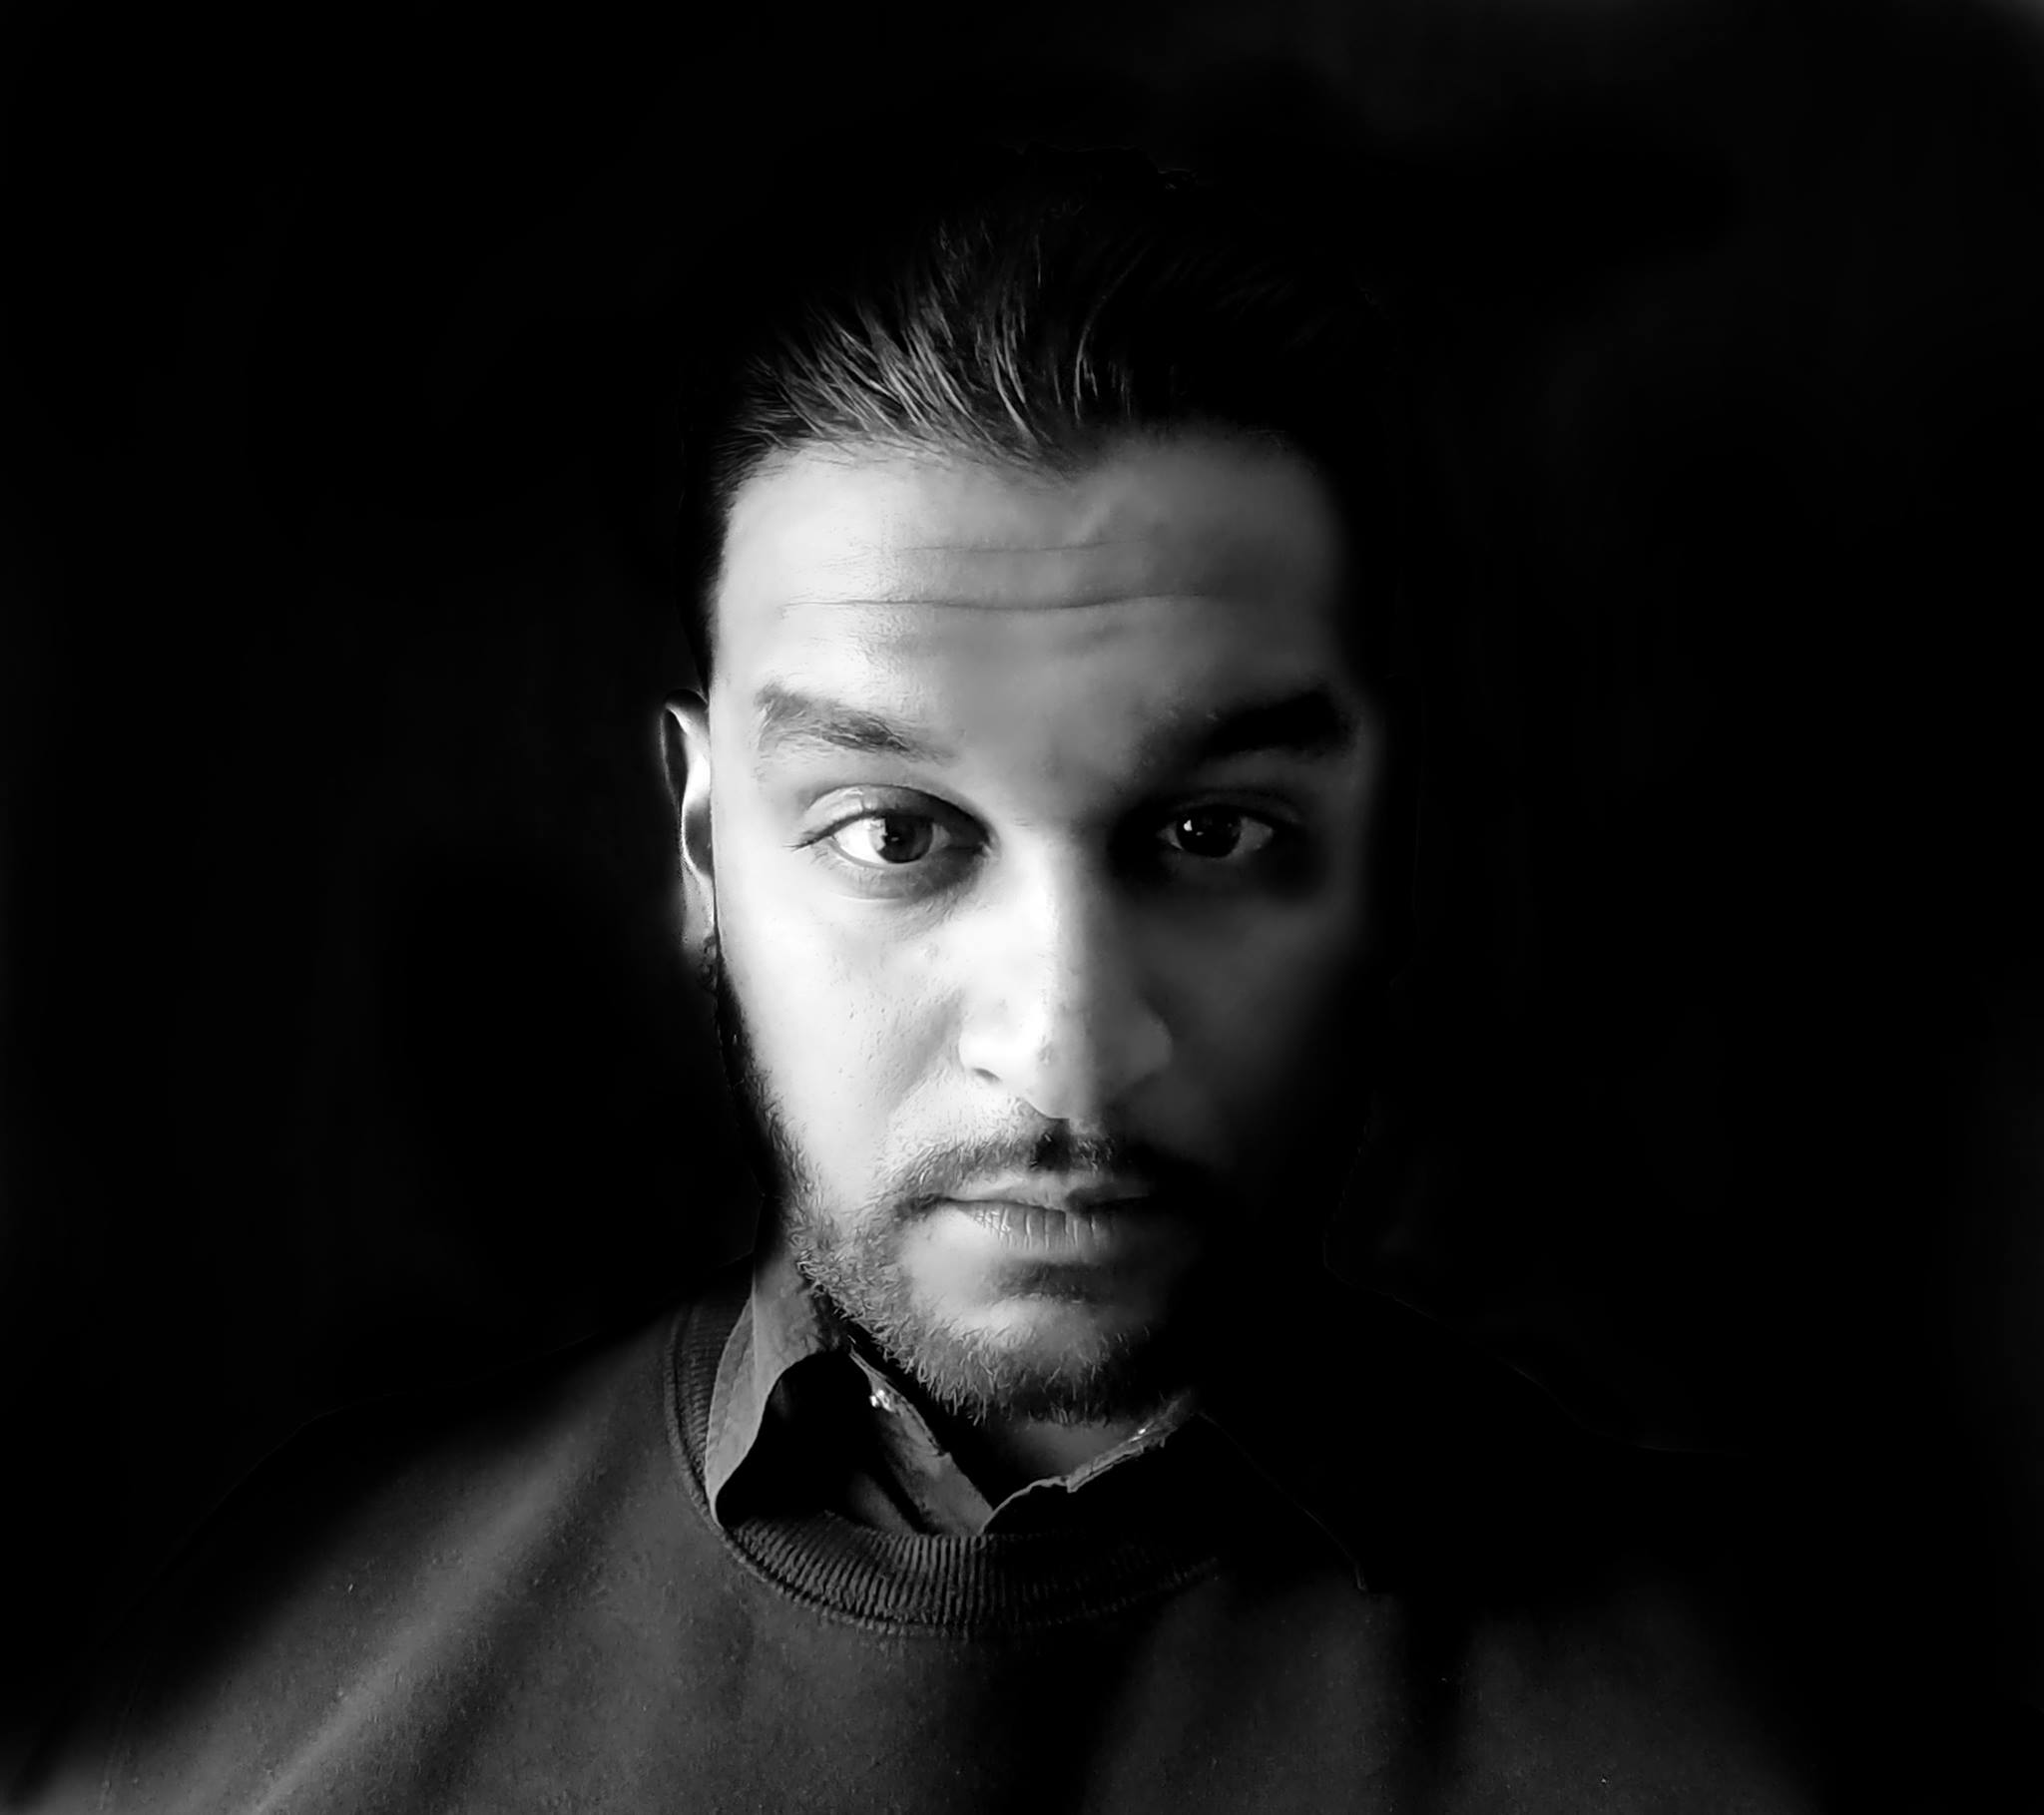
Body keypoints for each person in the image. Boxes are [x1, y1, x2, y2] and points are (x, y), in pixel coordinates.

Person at [11, 139, 1876, 1814]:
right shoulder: (253, 1708)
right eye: (898, 834)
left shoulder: (1801, 1727)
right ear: (702, 847)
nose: (1064, 1052)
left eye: (1208, 830)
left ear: (1379, 848)